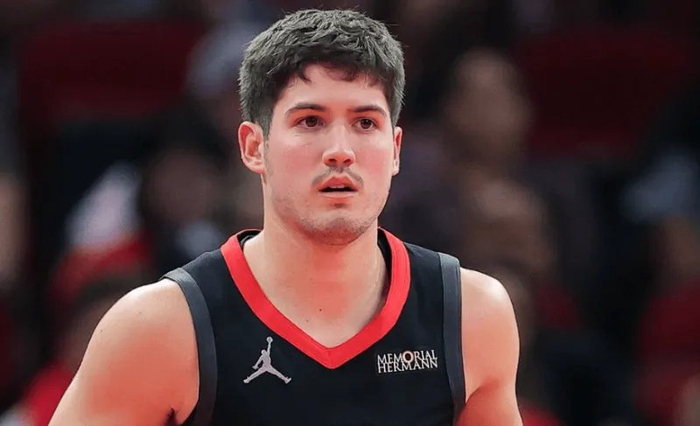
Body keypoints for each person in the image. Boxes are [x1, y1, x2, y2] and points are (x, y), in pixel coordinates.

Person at [48, 9, 521, 426]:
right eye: (310, 121)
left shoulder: (470, 315)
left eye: (365, 123)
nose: (340, 151)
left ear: (395, 149)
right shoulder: (161, 326)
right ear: (254, 147)